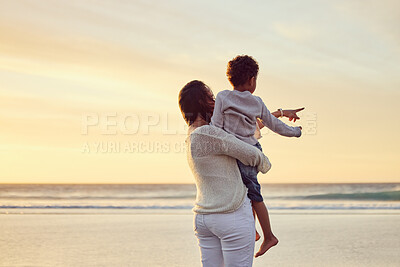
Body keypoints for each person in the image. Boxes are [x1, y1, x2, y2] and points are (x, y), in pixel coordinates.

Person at [179, 80, 304, 266]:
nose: (215, 101)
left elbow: (243, 132)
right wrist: (264, 163)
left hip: (204, 219)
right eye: (211, 98)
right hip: (231, 215)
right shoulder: (210, 133)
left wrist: (281, 113)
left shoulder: (193, 134)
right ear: (202, 102)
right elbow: (252, 154)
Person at [211, 55, 303, 257]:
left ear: (230, 79)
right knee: (248, 192)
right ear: (252, 80)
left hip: (240, 154)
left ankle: (269, 235)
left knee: (252, 193)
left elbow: (216, 127)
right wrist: (296, 131)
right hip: (252, 151)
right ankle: (254, 231)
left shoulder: (222, 97)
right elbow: (275, 126)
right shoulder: (256, 102)